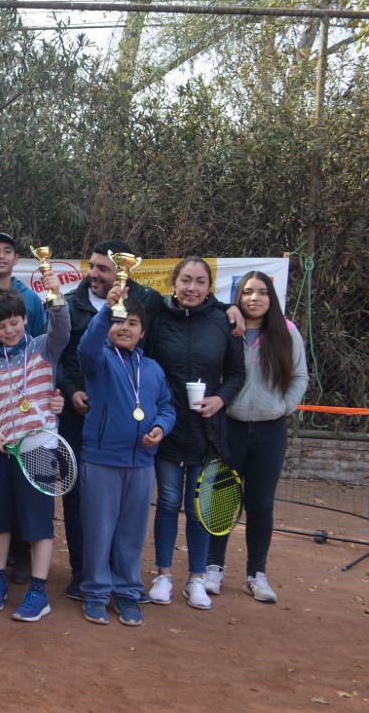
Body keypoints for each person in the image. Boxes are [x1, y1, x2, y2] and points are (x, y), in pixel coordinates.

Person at [142, 257, 245, 610]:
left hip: (208, 432)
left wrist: (220, 398)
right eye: (186, 280)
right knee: (168, 503)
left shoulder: (223, 320)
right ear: (174, 282)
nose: (192, 288)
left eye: (200, 281)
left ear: (209, 286)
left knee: (200, 509)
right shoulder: (157, 318)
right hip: (168, 427)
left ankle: (196, 580)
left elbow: (236, 373)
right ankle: (163, 576)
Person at [204, 271, 308, 603]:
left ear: (271, 297)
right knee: (222, 502)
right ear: (238, 296)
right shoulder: (225, 327)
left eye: (262, 292)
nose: (254, 298)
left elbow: (300, 375)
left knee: (261, 506)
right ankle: (213, 569)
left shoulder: (287, 332)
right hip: (228, 428)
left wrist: (285, 406)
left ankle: (256, 574)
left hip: (269, 432)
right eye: (247, 292)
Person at [77, 293, 175, 626]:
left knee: (131, 534)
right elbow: (86, 345)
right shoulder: (98, 360)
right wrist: (107, 310)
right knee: (99, 531)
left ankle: (129, 593)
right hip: (102, 460)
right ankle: (95, 593)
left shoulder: (153, 369)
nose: (124, 327)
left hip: (142, 463)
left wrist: (161, 427)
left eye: (132, 323)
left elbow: (166, 407)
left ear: (142, 333)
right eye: (118, 321)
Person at [0, 273, 68, 623]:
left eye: (14, 322)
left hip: (39, 449)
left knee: (38, 521)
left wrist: (56, 297)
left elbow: (63, 330)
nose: (9, 331)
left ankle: (38, 591)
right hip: (0, 453)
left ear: (25, 319)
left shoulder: (44, 347)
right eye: (1, 326)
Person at [0, 232, 47, 337]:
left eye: (7, 251)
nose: (1, 256)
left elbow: (38, 340)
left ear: (16, 259)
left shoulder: (31, 298)